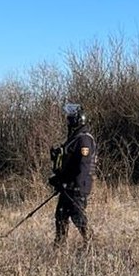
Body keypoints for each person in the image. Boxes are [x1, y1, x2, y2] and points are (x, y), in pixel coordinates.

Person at [48, 103, 97, 246]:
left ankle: (91, 244)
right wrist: (58, 179)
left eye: (70, 118)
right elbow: (68, 164)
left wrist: (76, 185)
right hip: (67, 185)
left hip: (77, 186)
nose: (67, 120)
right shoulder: (73, 138)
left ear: (77, 120)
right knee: (61, 215)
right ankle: (59, 245)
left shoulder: (84, 139)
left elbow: (83, 166)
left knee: (78, 215)